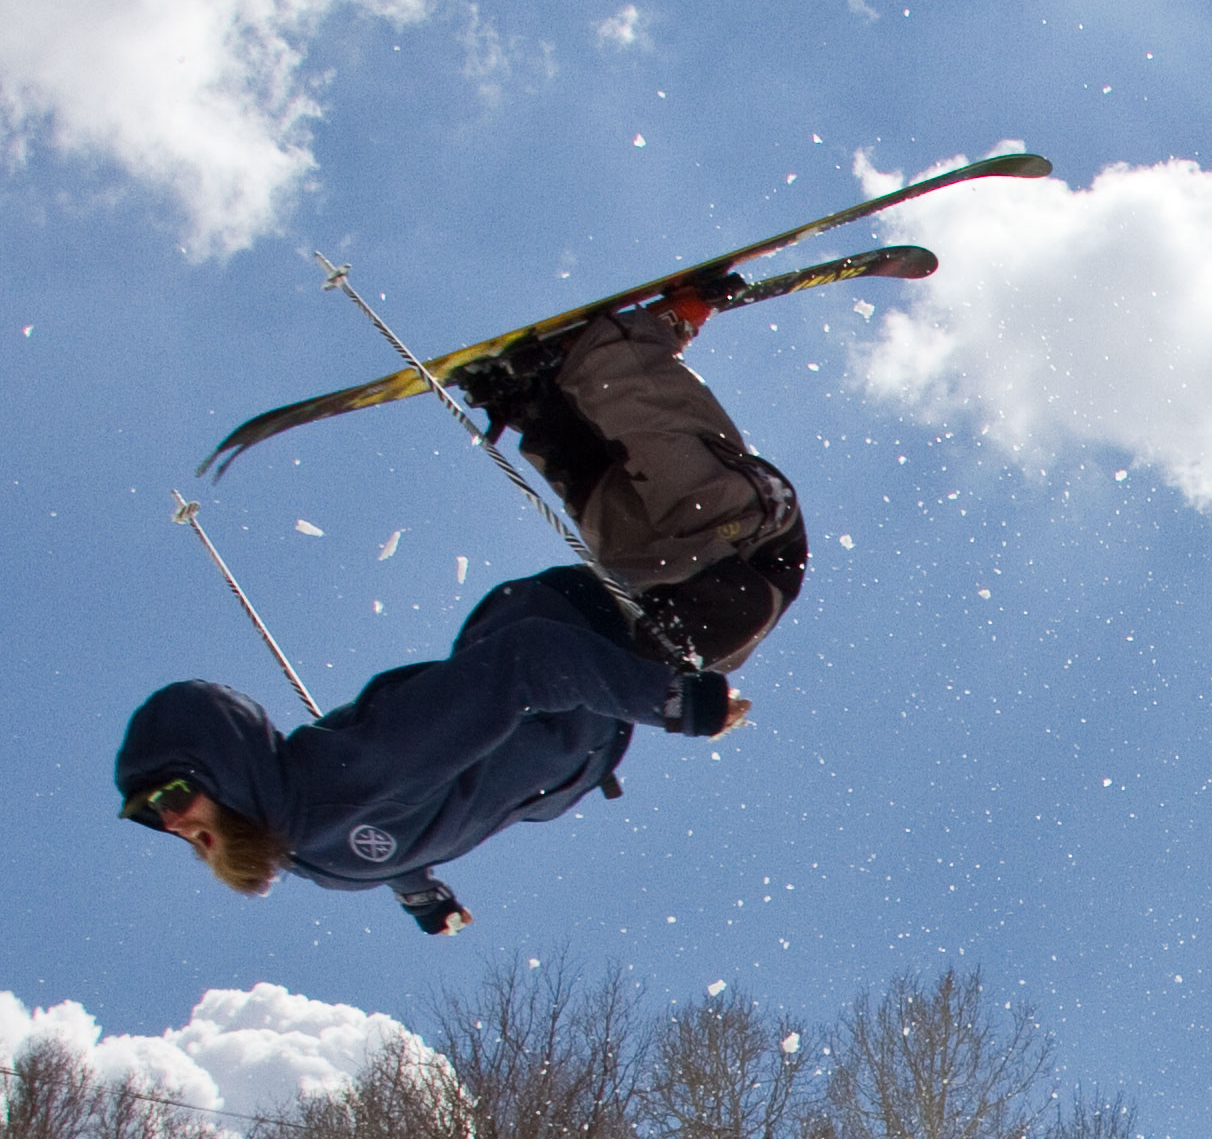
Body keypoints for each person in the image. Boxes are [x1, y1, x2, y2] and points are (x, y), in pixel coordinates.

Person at [116, 297, 806, 936]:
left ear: (226, 765)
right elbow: (382, 848)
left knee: (753, 550)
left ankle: (608, 358)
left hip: (575, 651)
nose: (171, 819)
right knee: (692, 559)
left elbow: (525, 667)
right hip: (581, 683)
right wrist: (421, 894)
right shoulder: (304, 847)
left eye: (173, 792)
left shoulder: (336, 782)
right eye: (151, 815)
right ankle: (541, 397)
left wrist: (672, 702)